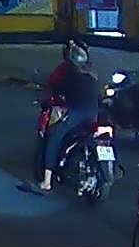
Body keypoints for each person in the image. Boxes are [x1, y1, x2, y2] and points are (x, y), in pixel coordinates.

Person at [33, 39, 98, 194]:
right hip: (94, 115)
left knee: (53, 136)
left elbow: (55, 90)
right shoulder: (92, 75)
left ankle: (47, 182)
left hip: (76, 115)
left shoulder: (70, 76)